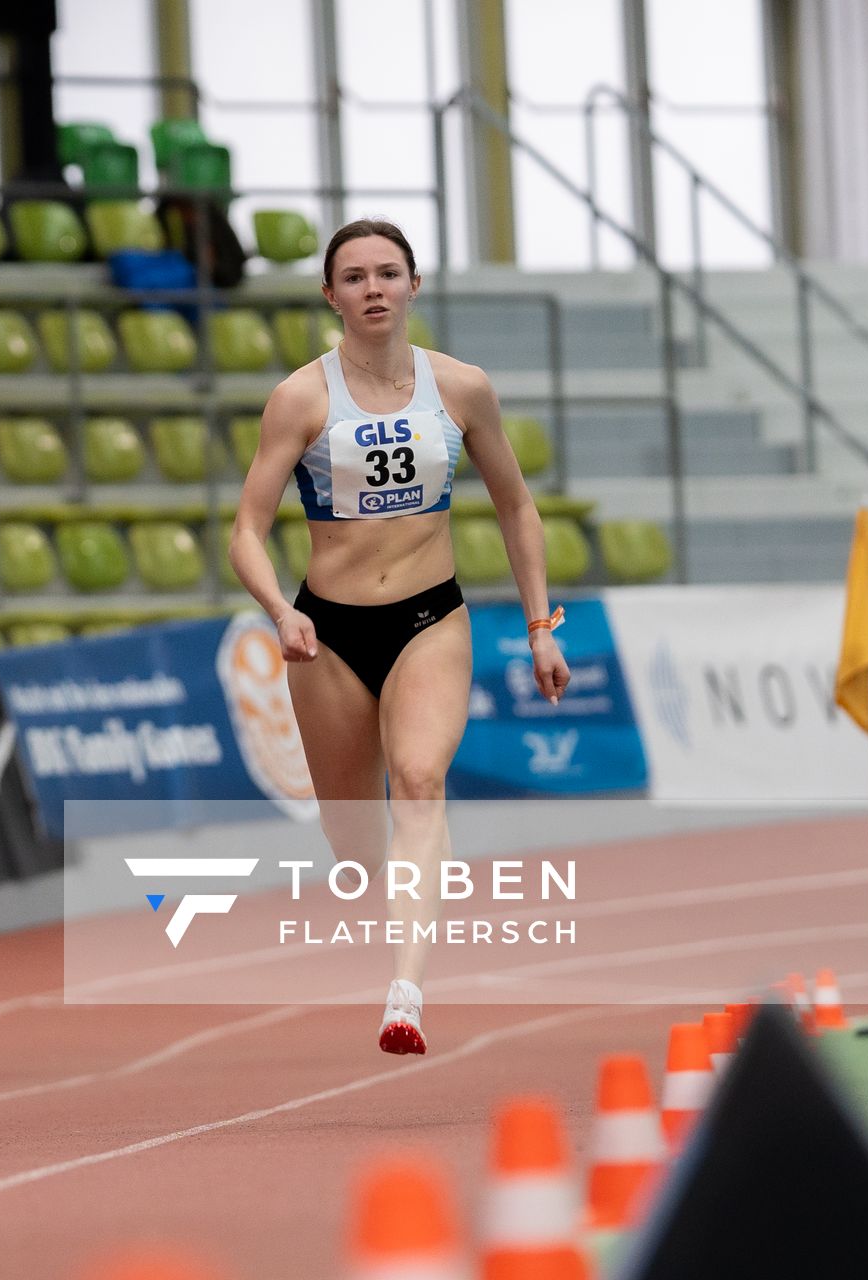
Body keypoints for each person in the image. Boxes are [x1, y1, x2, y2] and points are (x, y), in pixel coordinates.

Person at [229, 218, 570, 1056]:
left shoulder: (461, 389)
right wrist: (282, 609)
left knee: (420, 781)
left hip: (431, 619)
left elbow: (518, 507)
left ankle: (406, 993)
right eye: (355, 277)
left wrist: (538, 627)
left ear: (415, 285)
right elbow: (245, 527)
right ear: (330, 295)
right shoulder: (301, 398)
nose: (373, 288)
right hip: (329, 632)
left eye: (389, 273)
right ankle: (388, 924)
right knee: (353, 840)